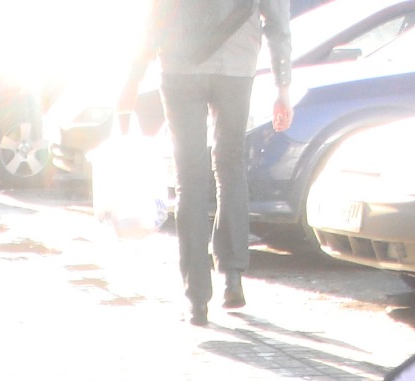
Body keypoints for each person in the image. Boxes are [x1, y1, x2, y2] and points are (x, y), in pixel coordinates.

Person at [121, 0, 294, 325]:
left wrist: (132, 78)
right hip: (236, 65)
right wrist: (282, 86)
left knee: (189, 177)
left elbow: (156, 12)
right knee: (230, 165)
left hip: (180, 64)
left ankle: (196, 299)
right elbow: (277, 20)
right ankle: (232, 275)